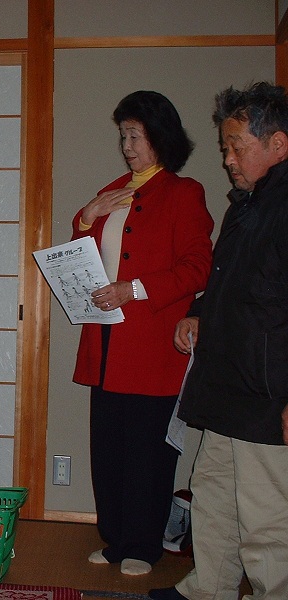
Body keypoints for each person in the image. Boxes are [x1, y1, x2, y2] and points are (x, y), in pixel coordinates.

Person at [149, 83, 288, 600]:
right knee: (212, 497)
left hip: (268, 393)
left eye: (237, 147)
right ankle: (207, 589)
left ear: (278, 144)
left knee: (267, 520)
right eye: (225, 147)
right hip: (229, 384)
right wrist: (198, 313)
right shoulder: (245, 207)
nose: (227, 159)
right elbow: (231, 286)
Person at [72, 91, 214, 576]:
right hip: (106, 341)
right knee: (108, 446)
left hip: (153, 345)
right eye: (123, 136)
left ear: (160, 136)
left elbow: (198, 267)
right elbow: (81, 259)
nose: (127, 146)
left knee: (147, 452)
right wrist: (87, 217)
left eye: (135, 135)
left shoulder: (184, 192)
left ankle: (143, 546)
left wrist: (133, 289)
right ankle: (115, 540)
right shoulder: (111, 191)